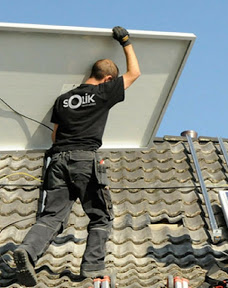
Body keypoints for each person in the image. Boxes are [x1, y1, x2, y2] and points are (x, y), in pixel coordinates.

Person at [14, 26, 140, 287]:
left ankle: (27, 251)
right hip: (85, 160)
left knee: (51, 216)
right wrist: (125, 41)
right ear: (107, 79)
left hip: (58, 161)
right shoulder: (104, 93)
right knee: (100, 215)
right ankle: (93, 269)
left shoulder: (63, 99)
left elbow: (54, 136)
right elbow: (134, 74)